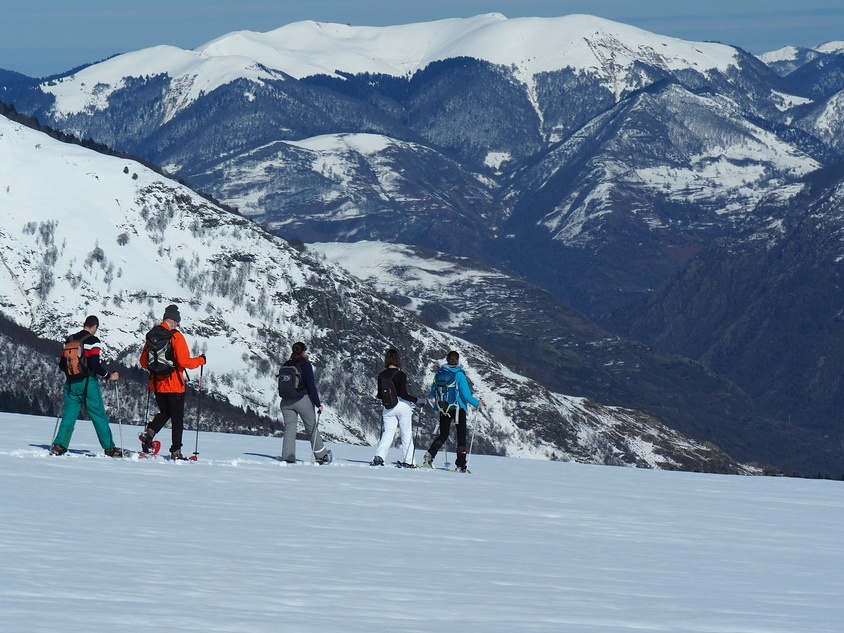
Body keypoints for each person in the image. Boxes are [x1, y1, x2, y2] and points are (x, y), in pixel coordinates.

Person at [51, 315, 125, 457]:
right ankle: (110, 448)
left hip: (71, 383)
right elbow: (95, 365)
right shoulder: (94, 341)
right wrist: (109, 376)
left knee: (69, 415)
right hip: (88, 383)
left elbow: (62, 365)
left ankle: (59, 445)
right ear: (95, 327)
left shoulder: (70, 340)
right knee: (98, 415)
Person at [138, 304, 206, 460]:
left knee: (165, 412)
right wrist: (200, 360)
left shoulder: (152, 335)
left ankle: (149, 432)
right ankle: (176, 451)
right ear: (175, 321)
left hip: (157, 384)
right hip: (174, 384)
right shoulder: (175, 336)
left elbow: (143, 362)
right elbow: (184, 361)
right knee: (177, 418)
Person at [421, 350, 482, 473]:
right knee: (461, 438)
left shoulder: (439, 373)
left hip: (444, 408)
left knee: (443, 435)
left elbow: (433, 392)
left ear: (447, 360)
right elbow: (466, 395)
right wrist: (477, 403)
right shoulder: (459, 374)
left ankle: (429, 456)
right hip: (458, 409)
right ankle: (461, 465)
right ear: (458, 360)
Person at [279, 341, 332, 464]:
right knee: (311, 427)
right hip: (302, 400)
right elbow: (311, 386)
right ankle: (322, 456)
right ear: (303, 352)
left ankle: (288, 457)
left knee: (289, 429)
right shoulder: (306, 365)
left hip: (286, 401)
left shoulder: (286, 364)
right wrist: (318, 404)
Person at [370, 348, 424, 467]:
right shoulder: (401, 375)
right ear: (398, 360)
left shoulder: (381, 375)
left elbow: (379, 395)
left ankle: (379, 456)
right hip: (402, 405)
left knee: (388, 432)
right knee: (406, 434)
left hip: (388, 407)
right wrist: (417, 400)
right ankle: (409, 461)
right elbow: (404, 394)